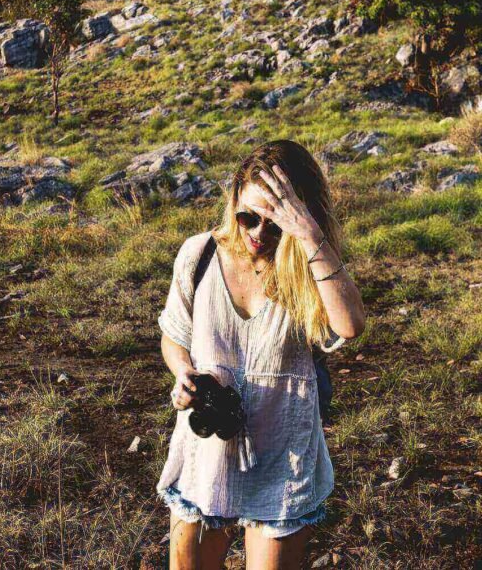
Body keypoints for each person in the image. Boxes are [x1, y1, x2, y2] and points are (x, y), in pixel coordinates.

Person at [156, 139, 366, 569]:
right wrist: (183, 372)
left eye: (275, 224)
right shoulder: (199, 255)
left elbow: (349, 326)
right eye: (248, 217)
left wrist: (308, 235)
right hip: (207, 451)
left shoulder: (307, 268)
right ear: (233, 199)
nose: (257, 234)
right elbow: (174, 335)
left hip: (282, 452)